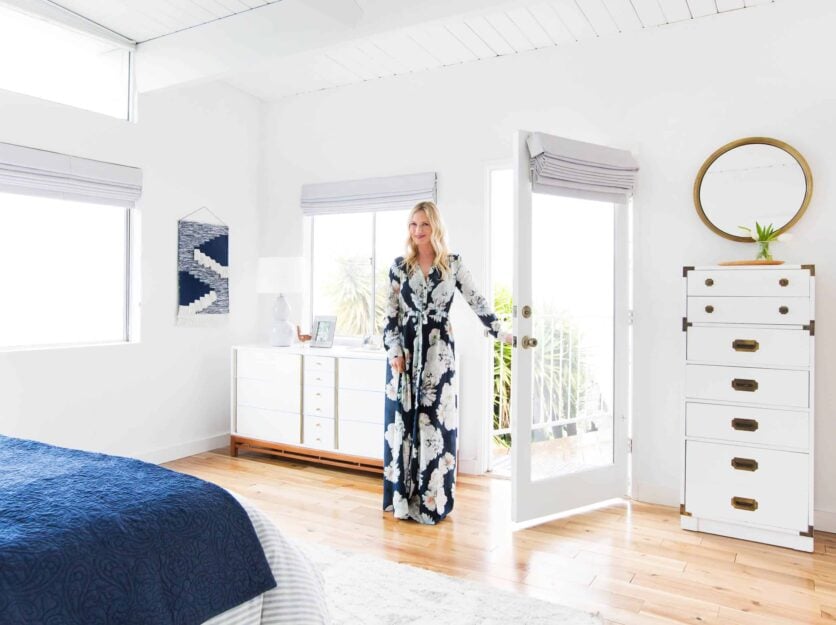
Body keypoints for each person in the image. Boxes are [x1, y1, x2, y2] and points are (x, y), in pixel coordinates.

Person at [382, 201, 511, 524]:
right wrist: (395, 351)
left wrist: (500, 331)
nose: (418, 231)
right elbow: (390, 315)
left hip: (438, 354)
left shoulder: (453, 265)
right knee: (403, 424)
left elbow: (476, 299)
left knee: (435, 426)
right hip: (406, 355)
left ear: (435, 227)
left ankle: (432, 501)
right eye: (413, 225)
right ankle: (402, 498)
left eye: (424, 224)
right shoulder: (399, 267)